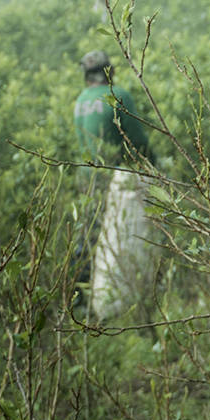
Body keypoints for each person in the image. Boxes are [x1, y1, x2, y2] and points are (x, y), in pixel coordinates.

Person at [71, 48, 156, 288]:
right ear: (110, 71)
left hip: (86, 175)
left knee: (88, 232)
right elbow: (138, 139)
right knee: (115, 235)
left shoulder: (81, 101)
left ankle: (80, 291)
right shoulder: (117, 94)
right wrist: (153, 165)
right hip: (111, 175)